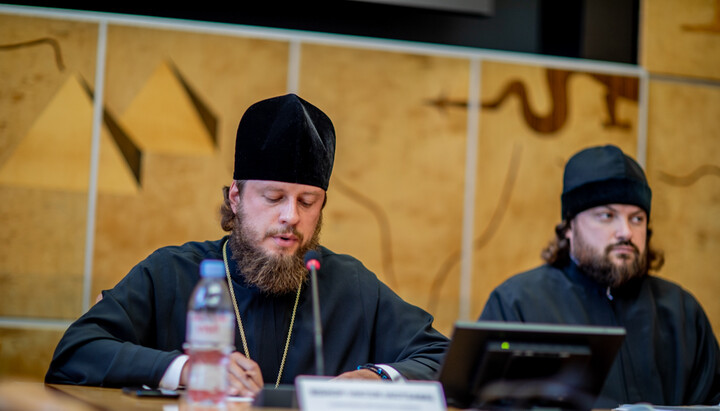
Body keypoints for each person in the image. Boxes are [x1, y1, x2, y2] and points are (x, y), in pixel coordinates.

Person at [46, 94, 449, 397]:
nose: (291, 216)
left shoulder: (351, 284)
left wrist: (377, 377)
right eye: (274, 198)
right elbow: (76, 353)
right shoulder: (171, 272)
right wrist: (191, 369)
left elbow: (444, 358)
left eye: (307, 202)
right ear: (236, 197)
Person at [479, 145, 720, 407]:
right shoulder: (517, 305)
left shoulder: (683, 312)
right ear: (569, 226)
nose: (625, 232)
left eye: (637, 219)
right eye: (607, 216)